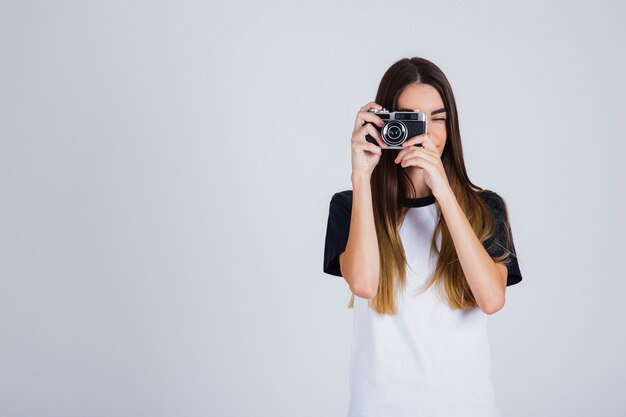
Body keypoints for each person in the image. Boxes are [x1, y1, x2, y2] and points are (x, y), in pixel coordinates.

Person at [322, 57, 523, 417]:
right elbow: (364, 284)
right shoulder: (351, 205)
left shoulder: (485, 207)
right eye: (411, 119)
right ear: (385, 123)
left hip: (466, 407)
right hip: (379, 407)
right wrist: (361, 176)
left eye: (438, 118)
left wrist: (443, 190)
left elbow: (491, 299)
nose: (426, 133)